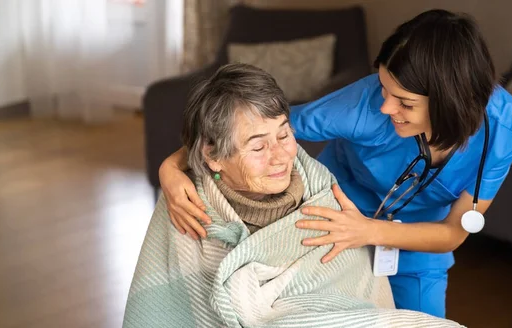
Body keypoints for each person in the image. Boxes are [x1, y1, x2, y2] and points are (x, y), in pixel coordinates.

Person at [158, 9, 512, 319]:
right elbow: (259, 128)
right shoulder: (360, 106)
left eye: (404, 102)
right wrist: (173, 167)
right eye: (384, 88)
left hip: (416, 242)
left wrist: (369, 231)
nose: (386, 107)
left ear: (450, 101)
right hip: (329, 221)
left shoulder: (506, 129)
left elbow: (453, 231)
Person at [123, 62, 465, 328]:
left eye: (284, 136)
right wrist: (172, 166)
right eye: (258, 146)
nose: (280, 156)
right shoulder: (185, 206)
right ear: (212, 155)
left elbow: (350, 304)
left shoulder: (322, 193)